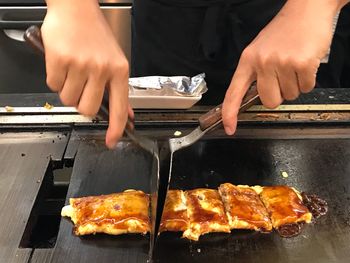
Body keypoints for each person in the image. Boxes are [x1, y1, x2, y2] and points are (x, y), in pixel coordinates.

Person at [42, 0, 350, 149]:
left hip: (293, 18)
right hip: (170, 20)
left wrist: (312, 9)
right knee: (158, 153)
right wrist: (72, 8)